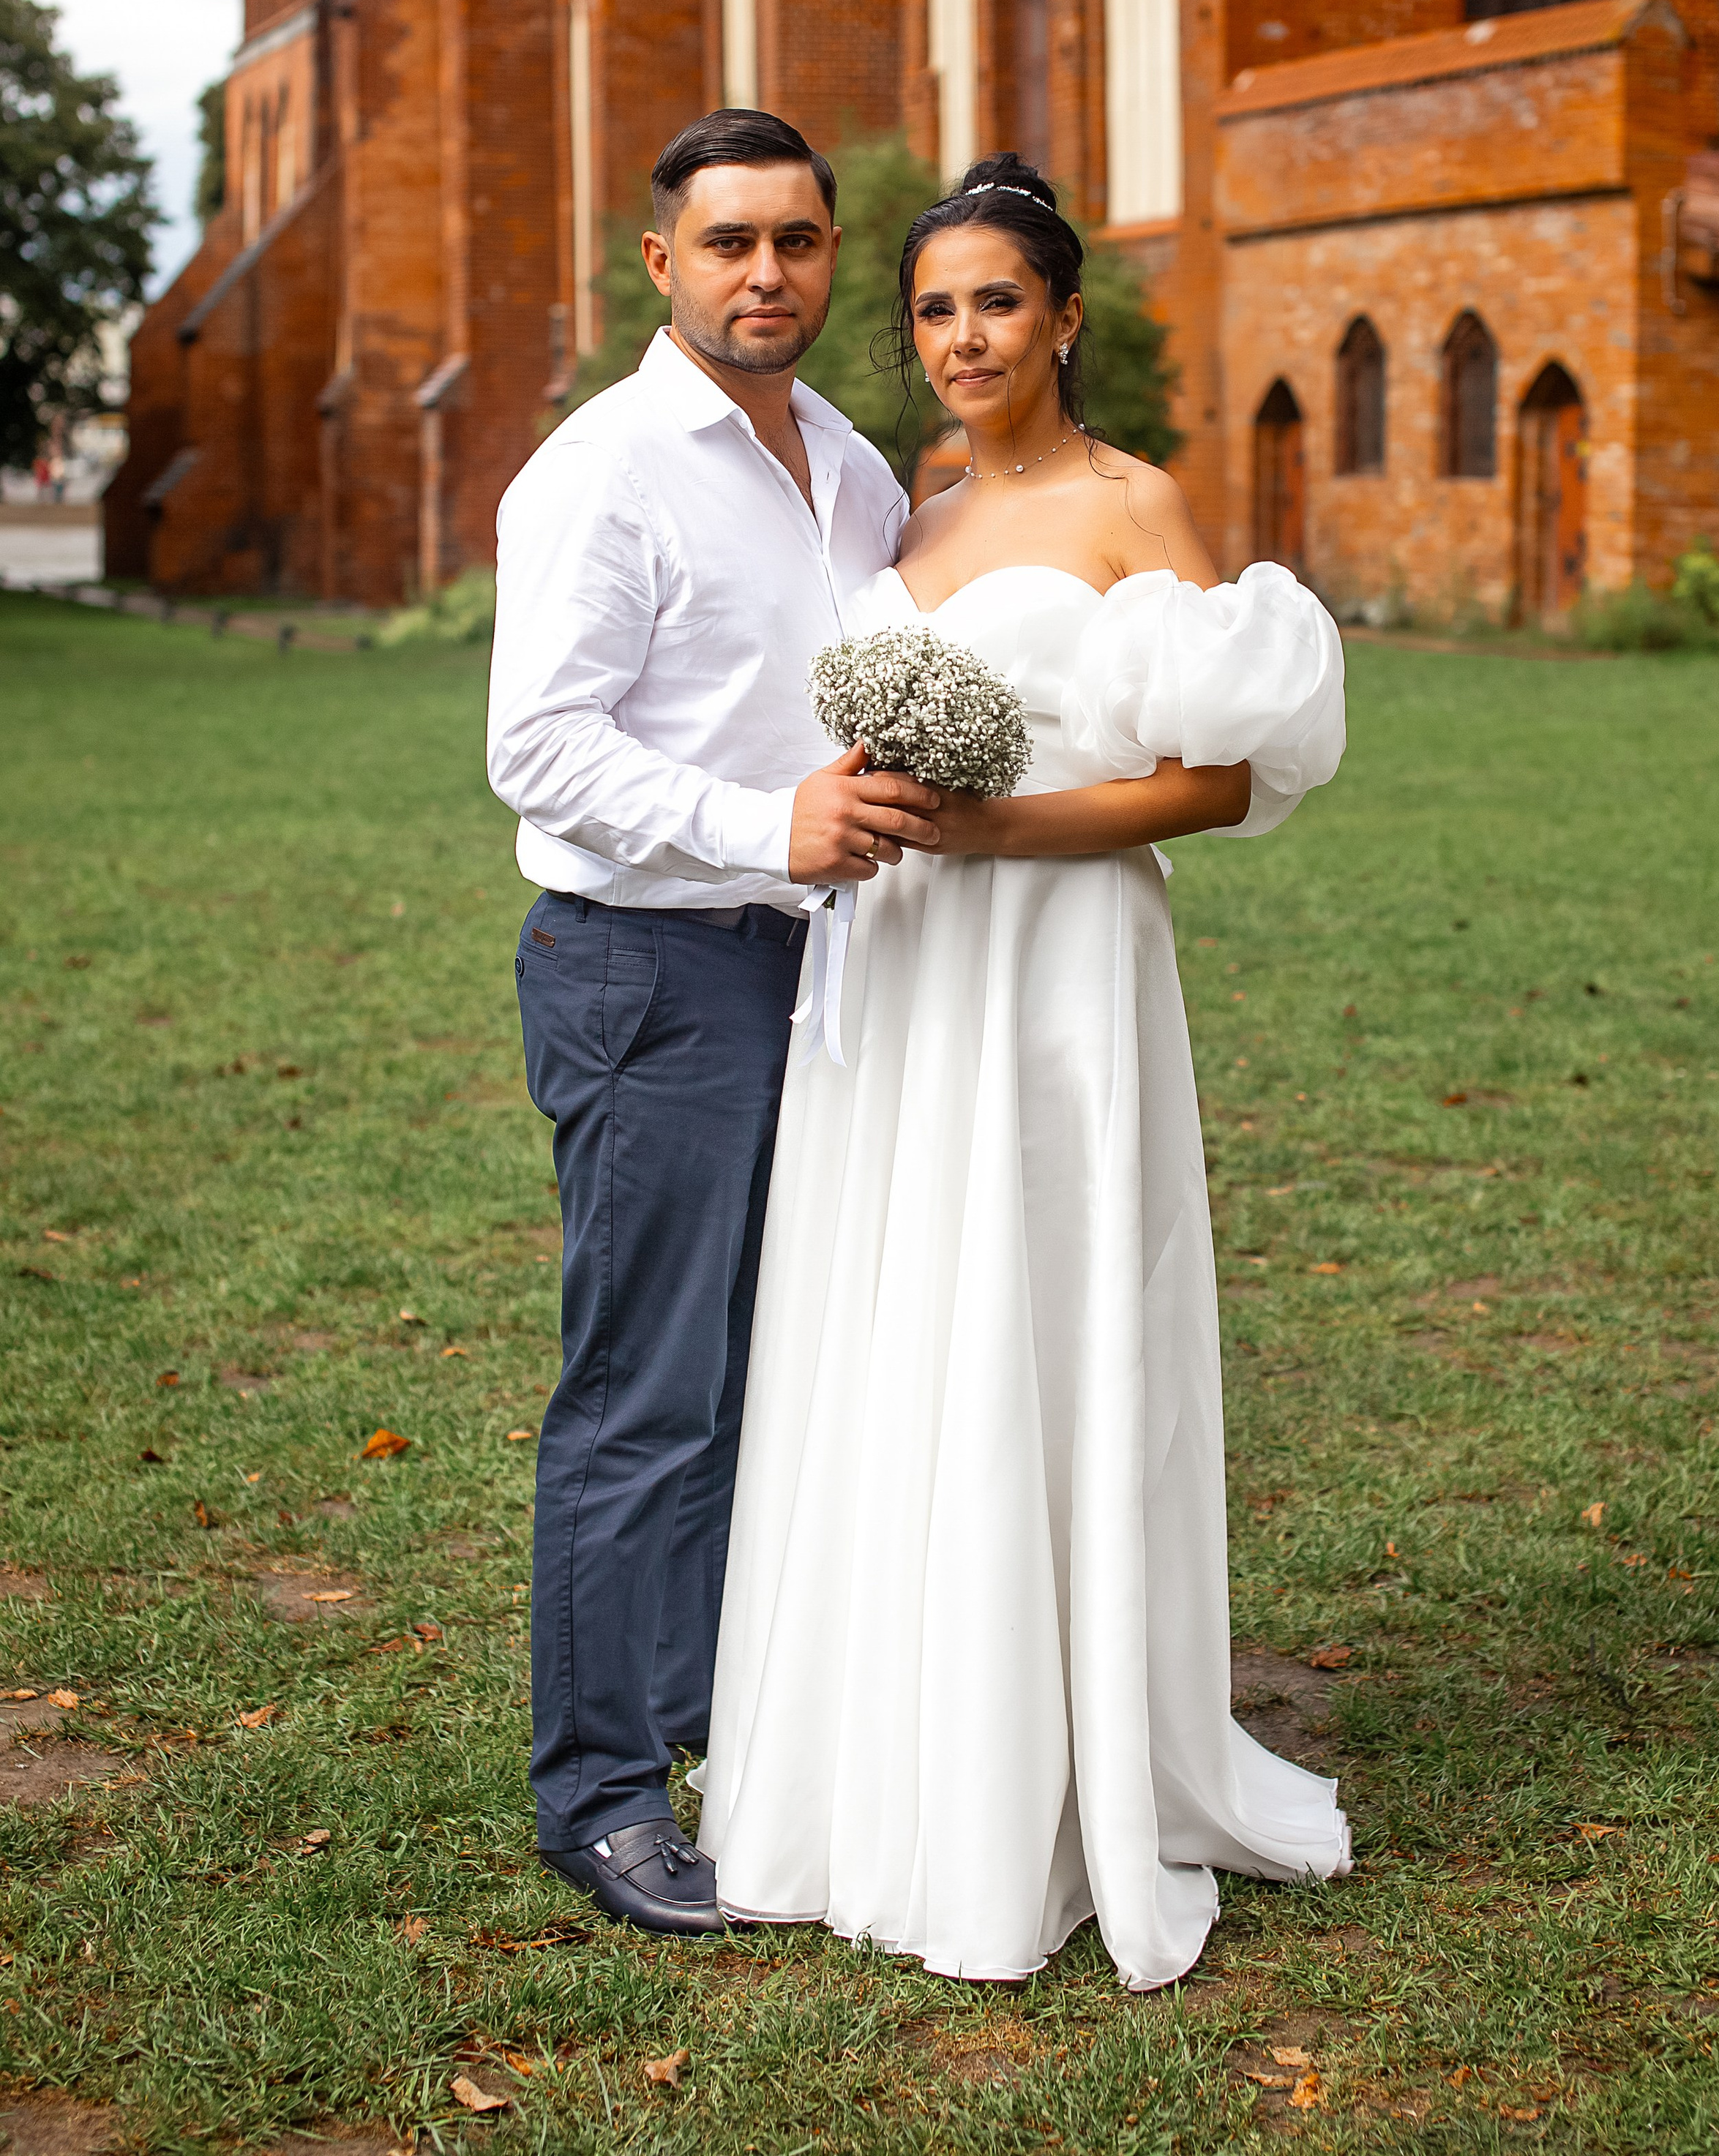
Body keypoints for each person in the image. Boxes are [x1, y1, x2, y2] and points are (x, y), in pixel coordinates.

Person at [698, 154, 1350, 1991]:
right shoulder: (906, 504)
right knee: (895, 1323)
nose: (962, 334)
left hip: (1054, 964)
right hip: (896, 970)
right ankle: (884, 1753)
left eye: (996, 299)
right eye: (932, 307)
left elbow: (1217, 785)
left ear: (1065, 317)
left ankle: (1051, 1772)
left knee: (1039, 1322)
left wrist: (1002, 832)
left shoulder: (1135, 508)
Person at [486, 109, 940, 1937]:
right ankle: (598, 1799)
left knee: (774, 1375)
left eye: (802, 242)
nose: (770, 274)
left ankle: (716, 1729)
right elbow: (535, 744)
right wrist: (769, 829)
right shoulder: (600, 471)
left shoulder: (844, 459)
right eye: (731, 242)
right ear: (658, 263)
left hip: (820, 968)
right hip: (647, 970)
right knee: (648, 1396)